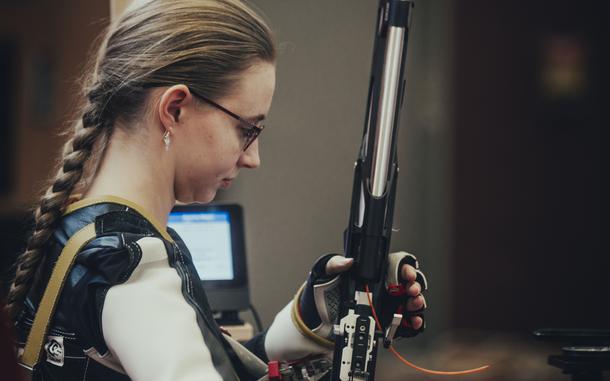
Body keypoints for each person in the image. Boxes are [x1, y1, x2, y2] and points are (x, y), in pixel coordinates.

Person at [4, 0, 427, 380]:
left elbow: (215, 362)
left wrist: (318, 311)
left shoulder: (84, 229)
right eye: (247, 129)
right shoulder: (132, 267)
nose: (252, 157)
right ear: (175, 108)